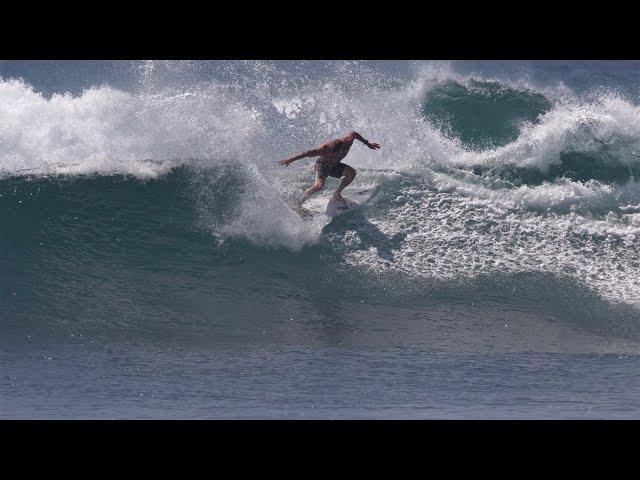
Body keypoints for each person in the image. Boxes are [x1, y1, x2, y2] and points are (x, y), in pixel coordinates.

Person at [278, 131, 380, 212]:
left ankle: (337, 194)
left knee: (351, 173)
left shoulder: (347, 140)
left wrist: (367, 143)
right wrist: (289, 160)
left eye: (336, 153)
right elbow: (305, 153)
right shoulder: (323, 149)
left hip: (335, 166)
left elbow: (354, 133)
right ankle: (297, 205)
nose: (333, 155)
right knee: (318, 186)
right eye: (331, 153)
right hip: (323, 166)